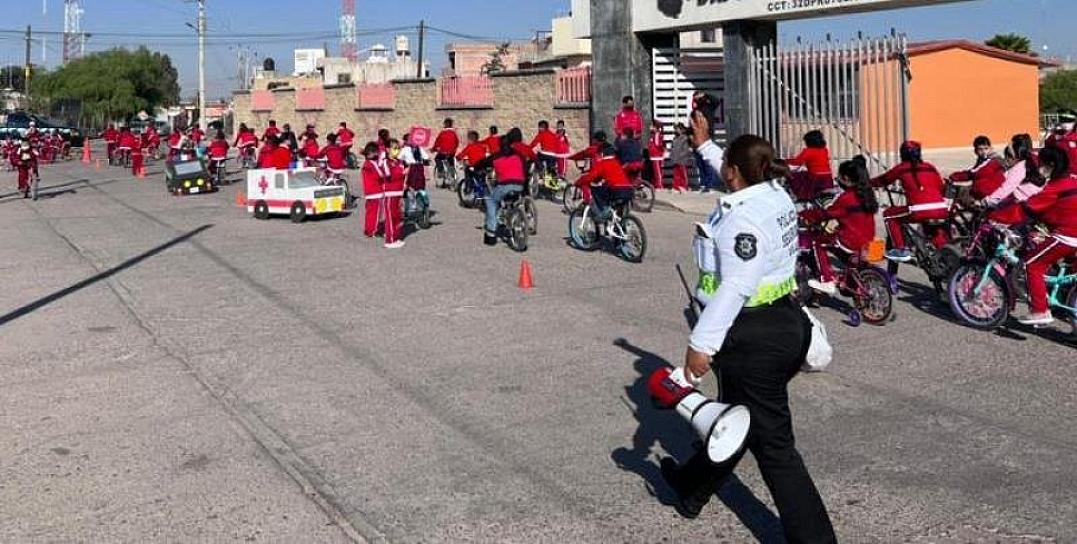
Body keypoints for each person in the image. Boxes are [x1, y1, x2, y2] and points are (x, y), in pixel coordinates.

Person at [660, 112, 837, 543]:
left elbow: (737, 285)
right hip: (786, 322)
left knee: (773, 446)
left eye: (725, 164)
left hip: (752, 335)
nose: (722, 169)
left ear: (733, 173)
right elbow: (737, 169)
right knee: (736, 418)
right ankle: (690, 487)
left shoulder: (741, 220)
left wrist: (701, 344)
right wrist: (705, 144)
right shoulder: (774, 193)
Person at [990, 145, 1077, 325]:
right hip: (1070, 232)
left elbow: (1026, 209)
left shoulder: (1054, 188)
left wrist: (997, 216)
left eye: (1041, 164)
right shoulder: (1072, 180)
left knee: (1032, 264)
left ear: (1051, 165)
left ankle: (1040, 311)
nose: (1039, 168)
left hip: (1068, 236)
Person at [799, 156, 879, 294]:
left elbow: (826, 214)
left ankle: (827, 280)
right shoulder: (867, 194)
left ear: (846, 179)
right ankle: (850, 282)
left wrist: (805, 215)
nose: (837, 180)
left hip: (851, 240)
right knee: (836, 240)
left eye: (839, 177)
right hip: (868, 239)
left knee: (818, 242)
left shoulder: (846, 198)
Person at [871, 140, 949, 262]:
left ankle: (900, 250)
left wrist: (867, 183)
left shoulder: (902, 168)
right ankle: (945, 253)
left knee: (889, 215)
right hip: (941, 207)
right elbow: (941, 187)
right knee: (932, 228)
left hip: (919, 210)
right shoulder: (929, 167)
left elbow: (882, 180)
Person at [475, 128, 529, 246]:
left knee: (491, 200)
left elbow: (481, 163)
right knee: (508, 199)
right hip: (520, 185)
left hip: (505, 185)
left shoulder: (496, 156)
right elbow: (525, 169)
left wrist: (476, 168)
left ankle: (491, 234)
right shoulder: (519, 155)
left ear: (499, 145)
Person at [360, 141, 406, 249]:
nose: (377, 154)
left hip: (371, 191)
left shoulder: (367, 163)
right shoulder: (371, 163)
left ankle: (370, 230)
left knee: (371, 212)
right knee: (375, 213)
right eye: (375, 152)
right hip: (375, 191)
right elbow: (380, 174)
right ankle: (372, 230)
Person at [575, 143, 635, 221]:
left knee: (596, 191)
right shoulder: (617, 162)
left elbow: (591, 176)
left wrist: (578, 182)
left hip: (616, 190)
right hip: (629, 190)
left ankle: (603, 212)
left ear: (602, 153)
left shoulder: (602, 163)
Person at [985, 134, 1044, 207]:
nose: (1006, 158)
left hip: (1024, 204)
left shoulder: (1020, 168)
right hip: (1031, 201)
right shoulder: (1032, 159)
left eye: (1010, 155)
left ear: (1018, 155)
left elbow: (1005, 190)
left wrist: (986, 201)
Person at [949, 135, 1005, 201]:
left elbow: (975, 173)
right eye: (980, 149)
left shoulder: (993, 160)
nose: (984, 152)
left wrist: (955, 177)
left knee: (961, 191)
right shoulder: (982, 159)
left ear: (991, 148)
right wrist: (955, 176)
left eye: (986, 148)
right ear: (975, 151)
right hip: (984, 189)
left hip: (990, 193)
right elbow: (972, 173)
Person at [786, 130, 834, 200]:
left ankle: (800, 196)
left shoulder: (808, 151)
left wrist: (785, 161)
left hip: (815, 177)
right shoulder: (824, 150)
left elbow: (797, 162)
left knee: (793, 176)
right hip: (827, 177)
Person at [456, 130, 489, 198]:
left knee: (467, 171)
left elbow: (461, 155)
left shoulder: (470, 146)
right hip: (484, 167)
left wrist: (458, 157)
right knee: (482, 179)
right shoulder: (483, 145)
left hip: (475, 166)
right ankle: (484, 193)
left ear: (470, 139)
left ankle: (469, 187)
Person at [432, 118, 460, 184]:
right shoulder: (454, 133)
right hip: (452, 152)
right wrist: (454, 149)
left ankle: (440, 171)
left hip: (443, 152)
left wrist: (433, 149)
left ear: (445, 124)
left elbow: (437, 142)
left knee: (437, 158)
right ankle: (453, 174)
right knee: (451, 162)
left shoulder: (442, 133)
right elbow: (457, 142)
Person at [669, 123, 693, 193]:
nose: (676, 130)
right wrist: (672, 156)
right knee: (676, 174)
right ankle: (676, 187)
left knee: (683, 174)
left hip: (682, 160)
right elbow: (672, 148)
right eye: (675, 129)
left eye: (678, 129)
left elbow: (686, 150)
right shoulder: (675, 138)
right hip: (675, 160)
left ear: (682, 130)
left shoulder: (685, 138)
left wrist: (680, 157)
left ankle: (684, 186)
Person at [647, 119, 667, 190]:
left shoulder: (657, 134)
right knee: (657, 171)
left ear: (655, 127)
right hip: (655, 155)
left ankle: (659, 185)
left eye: (652, 126)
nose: (650, 127)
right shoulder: (654, 134)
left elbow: (658, 144)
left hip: (656, 155)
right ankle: (657, 184)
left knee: (657, 171)